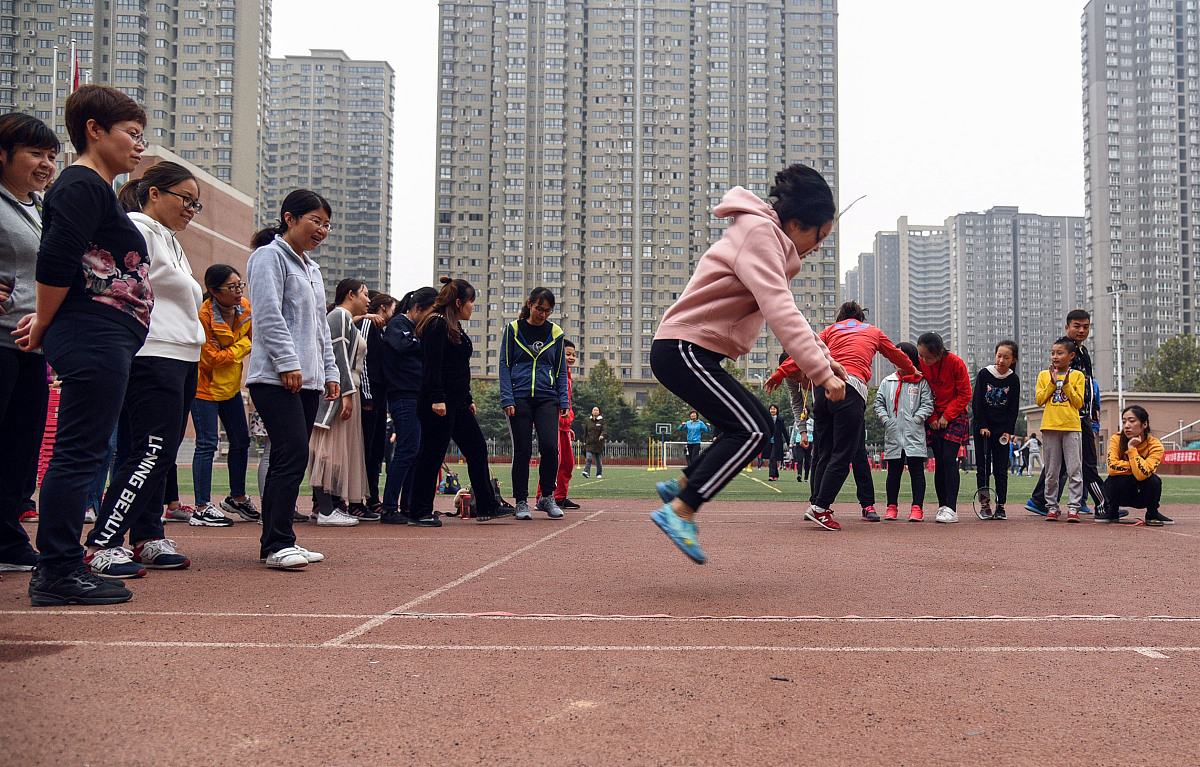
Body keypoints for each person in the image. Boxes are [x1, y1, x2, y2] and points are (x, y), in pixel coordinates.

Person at [650, 164, 846, 563]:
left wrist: (827, 360)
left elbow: (790, 313)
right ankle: (681, 509)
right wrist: (821, 373)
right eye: (819, 236)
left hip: (690, 350)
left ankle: (683, 485)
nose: (818, 246)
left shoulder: (767, 240)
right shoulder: (760, 236)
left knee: (745, 426)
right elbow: (781, 311)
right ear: (795, 223)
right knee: (755, 429)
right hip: (682, 348)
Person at [14, 85, 150, 605]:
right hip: (91, 334)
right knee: (79, 452)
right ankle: (58, 570)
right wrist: (44, 323)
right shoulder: (79, 185)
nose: (139, 146)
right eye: (131, 135)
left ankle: (61, 565)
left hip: (104, 335)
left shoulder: (94, 189)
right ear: (94, 129)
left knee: (84, 450)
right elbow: (54, 260)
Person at [80, 160, 209, 576]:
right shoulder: (135, 228)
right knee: (150, 450)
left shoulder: (170, 239)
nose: (191, 209)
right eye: (185, 199)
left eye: (196, 204)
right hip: (154, 352)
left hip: (183, 354)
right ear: (154, 193)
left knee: (160, 451)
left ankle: (148, 535)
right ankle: (102, 542)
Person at [245, 189, 340, 569]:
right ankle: (276, 544)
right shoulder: (268, 257)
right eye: (315, 221)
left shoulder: (311, 269)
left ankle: (280, 539)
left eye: (327, 224)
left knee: (295, 457)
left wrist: (329, 371)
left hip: (309, 380)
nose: (322, 230)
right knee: (290, 454)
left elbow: (319, 328)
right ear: (290, 218)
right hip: (275, 377)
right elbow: (268, 315)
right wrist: (287, 363)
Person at [772, 301, 913, 529]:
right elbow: (896, 355)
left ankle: (818, 503)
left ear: (840, 317)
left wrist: (780, 372)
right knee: (843, 454)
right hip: (850, 389)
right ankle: (820, 507)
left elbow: (803, 347)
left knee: (824, 453)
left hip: (823, 391)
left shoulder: (830, 331)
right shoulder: (873, 332)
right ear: (861, 318)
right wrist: (912, 369)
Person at [0, 113, 58, 573]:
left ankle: (7, 537)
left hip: (30, 349)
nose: (46, 164)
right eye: (35, 154)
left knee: (20, 450)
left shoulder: (36, 209)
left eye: (51, 156)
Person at [408, 278, 513, 526]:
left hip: (456, 402)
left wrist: (467, 399)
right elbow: (432, 366)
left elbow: (458, 368)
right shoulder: (436, 325)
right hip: (439, 402)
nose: (472, 307)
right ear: (458, 302)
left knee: (477, 448)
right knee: (431, 455)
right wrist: (437, 398)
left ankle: (487, 505)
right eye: (470, 302)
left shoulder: (452, 325)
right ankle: (419, 511)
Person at [1026, 310, 1109, 518]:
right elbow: (1040, 398)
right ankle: (1102, 505)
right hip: (1068, 418)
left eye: (1086, 326)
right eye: (1077, 326)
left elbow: (1086, 386)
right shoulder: (1057, 362)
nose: (1082, 330)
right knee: (1077, 464)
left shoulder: (1083, 353)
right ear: (1067, 327)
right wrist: (1055, 384)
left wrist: (1093, 410)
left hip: (1079, 416)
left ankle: (1044, 501)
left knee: (1074, 465)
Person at [191, 264, 254, 527]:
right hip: (204, 387)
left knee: (241, 440)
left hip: (231, 388)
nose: (239, 290)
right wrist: (242, 346)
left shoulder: (246, 309)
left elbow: (252, 340)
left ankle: (237, 498)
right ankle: (202, 507)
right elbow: (211, 357)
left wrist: (236, 347)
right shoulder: (204, 316)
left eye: (240, 284)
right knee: (207, 443)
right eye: (232, 287)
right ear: (214, 292)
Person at [499, 287, 570, 521]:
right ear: (529, 304)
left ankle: (546, 497)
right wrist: (507, 398)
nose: (543, 314)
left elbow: (560, 370)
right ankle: (521, 501)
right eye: (540, 309)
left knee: (550, 447)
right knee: (523, 450)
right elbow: (504, 365)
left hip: (547, 397)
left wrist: (564, 401)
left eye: (548, 311)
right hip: (519, 398)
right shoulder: (513, 329)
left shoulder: (556, 333)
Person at [308, 278, 370, 526]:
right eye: (364, 294)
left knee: (334, 451)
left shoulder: (345, 320)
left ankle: (328, 507)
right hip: (340, 391)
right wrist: (346, 393)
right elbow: (337, 357)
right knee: (327, 451)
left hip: (347, 388)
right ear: (350, 295)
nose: (368, 300)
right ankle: (325, 509)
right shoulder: (339, 317)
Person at [379, 286, 437, 525]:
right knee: (406, 451)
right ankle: (390, 506)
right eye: (430, 313)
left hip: (416, 395)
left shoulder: (413, 329)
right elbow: (403, 346)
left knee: (415, 452)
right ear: (417, 308)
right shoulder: (398, 324)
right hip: (403, 395)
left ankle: (408, 504)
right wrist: (423, 342)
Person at [915, 332, 972, 524]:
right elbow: (922, 392)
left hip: (954, 415)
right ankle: (942, 506)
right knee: (939, 461)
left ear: (940, 353)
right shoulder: (921, 364)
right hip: (932, 415)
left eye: (928, 357)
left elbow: (965, 393)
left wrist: (947, 416)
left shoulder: (956, 363)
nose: (924, 360)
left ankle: (952, 508)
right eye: (921, 356)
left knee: (949, 459)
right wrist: (932, 417)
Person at [873, 341, 934, 521]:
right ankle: (892, 506)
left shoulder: (921, 381)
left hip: (914, 434)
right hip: (893, 435)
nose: (898, 361)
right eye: (895, 357)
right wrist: (886, 420)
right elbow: (878, 404)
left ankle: (917, 507)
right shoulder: (887, 382)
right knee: (893, 473)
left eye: (903, 356)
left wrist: (917, 419)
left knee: (917, 471)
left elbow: (928, 404)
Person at [1035, 336, 1086, 522]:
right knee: (1052, 471)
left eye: (1060, 353)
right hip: (1049, 427)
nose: (1055, 357)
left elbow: (1078, 402)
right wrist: (1051, 382)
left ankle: (1074, 508)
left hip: (1071, 427)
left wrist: (1065, 385)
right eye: (1053, 353)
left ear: (1071, 355)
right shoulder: (1043, 375)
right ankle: (1051, 507)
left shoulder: (1078, 376)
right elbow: (1039, 400)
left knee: (1074, 469)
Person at [356, 292, 396, 518]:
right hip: (369, 395)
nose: (393, 313)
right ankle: (358, 500)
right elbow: (361, 361)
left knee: (376, 451)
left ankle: (371, 497)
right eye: (392, 308)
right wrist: (368, 396)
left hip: (379, 396)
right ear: (382, 307)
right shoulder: (368, 325)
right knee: (365, 450)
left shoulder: (379, 330)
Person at [971, 340, 1021, 520]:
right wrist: (982, 425)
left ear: (1013, 360)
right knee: (983, 469)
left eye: (1006, 357)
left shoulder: (1013, 379)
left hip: (1002, 432)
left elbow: (1013, 407)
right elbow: (976, 401)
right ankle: (985, 505)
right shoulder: (985, 374)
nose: (1001, 360)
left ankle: (1001, 506)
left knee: (1001, 469)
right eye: (999, 356)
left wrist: (1008, 430)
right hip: (983, 429)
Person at [1104, 405, 1169, 525]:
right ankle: (1112, 511)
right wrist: (1136, 466)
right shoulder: (1116, 439)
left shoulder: (1155, 445)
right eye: (1124, 422)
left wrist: (1132, 449)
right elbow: (1112, 468)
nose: (1126, 425)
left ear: (1144, 424)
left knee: (1153, 480)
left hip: (1142, 495)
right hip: (1122, 493)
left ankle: (1152, 513)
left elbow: (1142, 475)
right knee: (1115, 479)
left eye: (1132, 421)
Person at [538, 338, 579, 509]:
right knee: (553, 460)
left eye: (573, 355)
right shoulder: (553, 373)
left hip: (564, 425)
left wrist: (568, 426)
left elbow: (567, 401)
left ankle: (560, 496)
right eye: (567, 354)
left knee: (568, 463)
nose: (571, 358)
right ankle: (543, 496)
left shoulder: (567, 375)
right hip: (553, 422)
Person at [582, 406, 606, 478]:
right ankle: (587, 472)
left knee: (598, 459)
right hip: (589, 443)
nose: (595, 411)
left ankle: (599, 473)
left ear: (599, 412)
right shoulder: (588, 421)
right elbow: (585, 432)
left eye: (597, 410)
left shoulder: (602, 421)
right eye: (594, 410)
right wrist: (585, 441)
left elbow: (604, 430)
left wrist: (602, 435)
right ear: (592, 412)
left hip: (598, 443)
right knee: (589, 458)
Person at [766, 405, 787, 480]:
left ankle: (771, 475)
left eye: (774, 409)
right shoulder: (767, 419)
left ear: (777, 410)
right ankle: (776, 475)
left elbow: (784, 431)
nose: (772, 410)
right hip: (769, 442)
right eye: (771, 409)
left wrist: (788, 442)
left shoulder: (780, 420)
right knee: (772, 459)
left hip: (777, 442)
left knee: (772, 458)